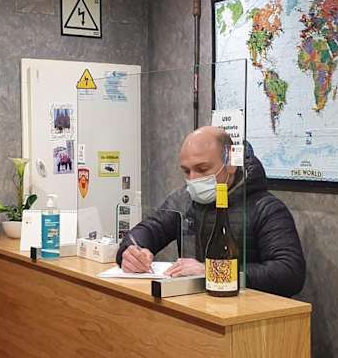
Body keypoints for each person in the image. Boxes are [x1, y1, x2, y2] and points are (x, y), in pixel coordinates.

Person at [116, 126, 306, 297]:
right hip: (197, 308)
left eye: (202, 169)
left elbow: (289, 273)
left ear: (230, 164)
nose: (193, 179)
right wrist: (132, 252)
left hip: (247, 313)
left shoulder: (266, 208)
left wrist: (212, 271)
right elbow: (149, 229)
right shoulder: (183, 200)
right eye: (186, 171)